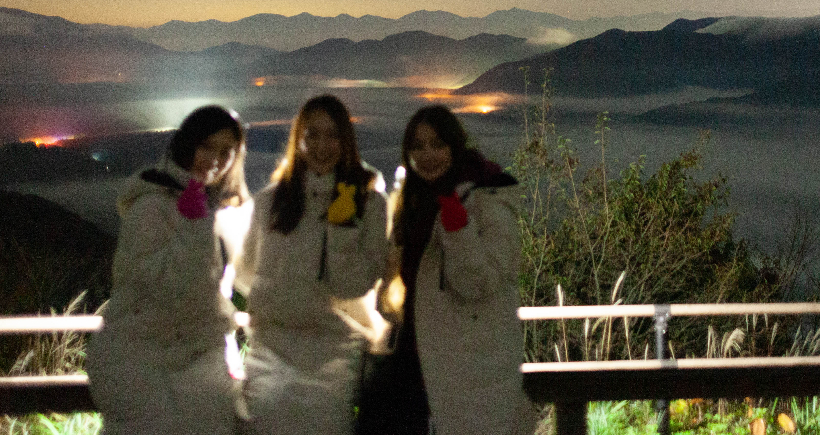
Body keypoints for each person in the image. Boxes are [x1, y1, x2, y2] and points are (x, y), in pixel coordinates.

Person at [87, 104, 249, 435]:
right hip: (150, 367)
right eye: (206, 146)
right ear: (187, 144)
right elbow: (163, 288)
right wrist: (193, 227)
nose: (215, 160)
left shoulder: (208, 205)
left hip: (182, 364)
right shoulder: (152, 206)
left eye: (226, 152)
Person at [373, 104, 535, 435]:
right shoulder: (413, 202)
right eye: (418, 146)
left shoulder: (488, 200)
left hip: (467, 371)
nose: (427, 155)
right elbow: (402, 290)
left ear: (454, 146)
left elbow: (480, 283)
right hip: (414, 362)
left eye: (437, 144)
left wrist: (459, 229)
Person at [235, 94, 389, 435]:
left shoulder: (369, 204)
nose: (321, 146)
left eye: (332, 135)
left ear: (346, 140)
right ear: (298, 140)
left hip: (334, 349)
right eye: (312, 135)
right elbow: (246, 270)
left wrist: (340, 229)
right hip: (271, 346)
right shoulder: (270, 201)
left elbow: (355, 285)